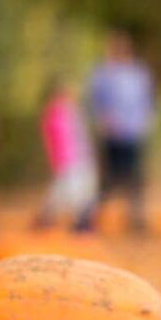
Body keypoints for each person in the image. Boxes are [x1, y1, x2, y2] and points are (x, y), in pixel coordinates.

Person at [87, 28, 155, 232]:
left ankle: (136, 220)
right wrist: (102, 122)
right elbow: (94, 102)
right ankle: (93, 220)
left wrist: (145, 123)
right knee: (108, 181)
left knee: (134, 180)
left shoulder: (139, 73)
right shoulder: (102, 73)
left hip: (133, 134)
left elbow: (148, 101)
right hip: (112, 134)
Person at [37, 77, 97, 231]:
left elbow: (82, 137)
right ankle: (74, 221)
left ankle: (80, 221)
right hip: (68, 160)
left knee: (76, 191)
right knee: (67, 192)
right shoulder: (55, 114)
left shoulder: (72, 112)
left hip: (80, 159)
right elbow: (58, 141)